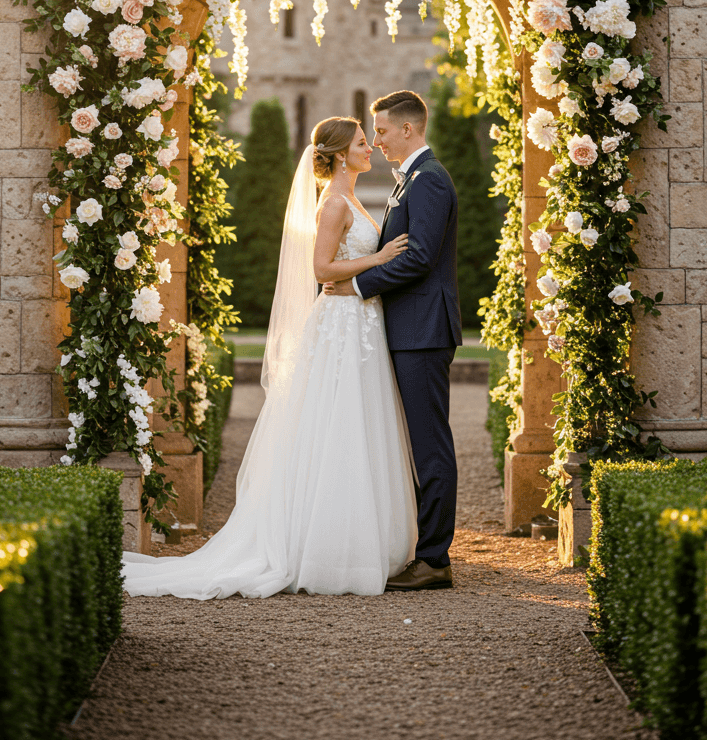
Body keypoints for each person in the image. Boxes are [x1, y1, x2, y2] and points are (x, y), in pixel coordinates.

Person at [121, 115, 418, 599]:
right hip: (341, 327)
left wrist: (364, 270)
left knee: (358, 427)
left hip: (358, 322)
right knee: (336, 426)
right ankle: (324, 550)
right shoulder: (333, 202)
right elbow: (321, 268)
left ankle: (355, 543)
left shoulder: (352, 198)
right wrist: (378, 260)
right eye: (363, 143)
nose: (371, 148)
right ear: (341, 154)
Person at [324, 90, 461, 592]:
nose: (376, 139)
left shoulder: (428, 181)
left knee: (430, 444)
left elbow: (420, 258)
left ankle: (434, 559)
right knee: (419, 442)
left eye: (380, 130)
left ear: (408, 129)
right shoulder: (412, 181)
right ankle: (425, 550)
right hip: (410, 329)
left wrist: (357, 285)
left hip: (423, 331)